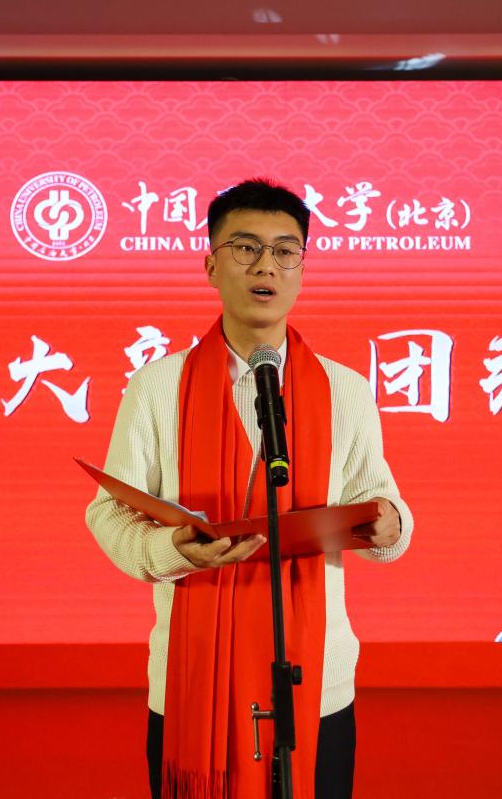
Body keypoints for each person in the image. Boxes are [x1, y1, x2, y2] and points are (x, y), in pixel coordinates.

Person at [86, 178, 412, 798]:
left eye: (285, 251)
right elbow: (110, 514)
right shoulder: (158, 387)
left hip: (316, 680)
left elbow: (387, 510)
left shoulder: (344, 389)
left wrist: (390, 524)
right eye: (245, 248)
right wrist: (176, 550)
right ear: (211, 265)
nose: (267, 266)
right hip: (192, 677)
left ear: (302, 269)